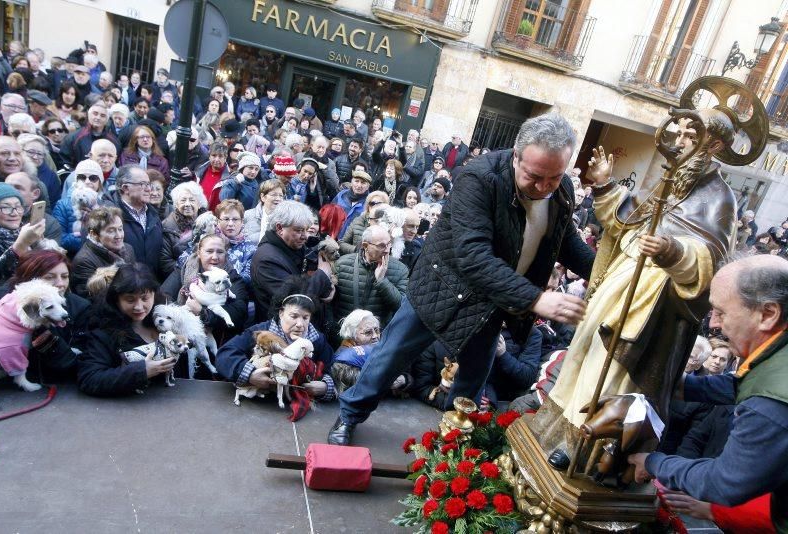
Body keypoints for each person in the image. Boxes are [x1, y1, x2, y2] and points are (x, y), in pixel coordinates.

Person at [328, 113, 595, 446]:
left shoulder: (562, 190)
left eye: (554, 178)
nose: (544, 188)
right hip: (440, 288)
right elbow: (474, 256)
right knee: (390, 357)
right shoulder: (479, 179)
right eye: (534, 176)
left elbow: (566, 241)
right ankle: (350, 413)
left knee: (472, 377)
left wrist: (606, 273)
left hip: (492, 298)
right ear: (516, 155)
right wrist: (536, 299)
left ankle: (452, 442)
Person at [531, 109, 739, 465]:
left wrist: (671, 250)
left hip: (651, 303)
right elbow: (629, 222)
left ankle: (584, 452)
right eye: (682, 132)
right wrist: (607, 185)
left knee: (610, 372)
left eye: (693, 134)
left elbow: (712, 261)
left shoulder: (720, 198)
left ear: (714, 144)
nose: (681, 140)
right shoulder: (671, 182)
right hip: (622, 281)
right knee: (584, 355)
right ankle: (555, 427)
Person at [628, 255, 788, 532]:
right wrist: (678, 384)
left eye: (722, 312)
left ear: (767, 314)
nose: (713, 323)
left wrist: (654, 462)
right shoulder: (777, 355)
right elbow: (743, 383)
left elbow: (726, 482)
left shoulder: (770, 402)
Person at [215, 288, 337, 420]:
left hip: (301, 412)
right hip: (255, 408)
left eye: (305, 317)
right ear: (281, 313)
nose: (300, 324)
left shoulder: (317, 340)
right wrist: (250, 375)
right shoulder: (260, 332)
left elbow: (334, 370)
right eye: (294, 316)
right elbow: (225, 354)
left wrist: (325, 387)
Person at [0, 250, 90, 382]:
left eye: (65, 276)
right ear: (30, 278)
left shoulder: (80, 307)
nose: (60, 284)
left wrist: (47, 337)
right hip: (2, 380)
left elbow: (75, 363)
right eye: (49, 277)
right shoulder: (1, 296)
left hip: (55, 383)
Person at [77, 263, 176, 397]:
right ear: (116, 300)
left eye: (145, 298)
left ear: (154, 294)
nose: (139, 307)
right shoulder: (104, 332)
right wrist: (142, 371)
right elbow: (90, 378)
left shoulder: (169, 319)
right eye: (130, 300)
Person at [161, 234, 248, 360]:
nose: (215, 257)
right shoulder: (184, 270)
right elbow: (164, 296)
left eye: (220, 252)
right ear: (199, 252)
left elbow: (239, 312)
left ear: (226, 254)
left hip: (221, 341)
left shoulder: (231, 277)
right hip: (184, 339)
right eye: (209, 251)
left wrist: (203, 313)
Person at [249, 200, 334, 323]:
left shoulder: (295, 246)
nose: (305, 236)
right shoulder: (266, 260)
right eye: (299, 230)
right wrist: (323, 275)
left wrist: (330, 287)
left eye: (306, 230)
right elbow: (295, 298)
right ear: (279, 228)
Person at [333, 225, 409, 328]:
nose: (387, 250)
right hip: (344, 334)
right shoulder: (342, 264)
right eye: (381, 245)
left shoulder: (400, 270)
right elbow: (329, 305)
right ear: (365, 246)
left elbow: (401, 306)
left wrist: (382, 281)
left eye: (389, 244)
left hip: (377, 338)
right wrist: (333, 331)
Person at [106, 165, 164, 280]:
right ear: (125, 188)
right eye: (143, 184)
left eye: (149, 184)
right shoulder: (107, 217)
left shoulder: (154, 215)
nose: (149, 189)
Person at [0, 182, 46, 288]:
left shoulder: (23, 231)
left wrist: (40, 245)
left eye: (18, 207)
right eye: (6, 207)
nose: (14, 213)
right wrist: (20, 246)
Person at [71, 206, 135, 297]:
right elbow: (90, 299)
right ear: (94, 234)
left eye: (120, 229)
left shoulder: (128, 249)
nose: (118, 235)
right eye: (111, 231)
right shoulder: (83, 261)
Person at [330, 309, 382, 393]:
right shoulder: (343, 362)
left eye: (377, 330)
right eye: (368, 332)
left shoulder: (382, 349)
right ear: (352, 335)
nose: (375, 336)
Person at [160, 182, 205, 274]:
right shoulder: (167, 226)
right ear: (176, 205)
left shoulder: (209, 222)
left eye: (192, 200)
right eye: (183, 200)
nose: (187, 204)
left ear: (199, 203)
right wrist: (190, 272)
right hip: (180, 275)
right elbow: (165, 262)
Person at [214, 199, 257, 284]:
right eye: (226, 219)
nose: (230, 224)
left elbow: (247, 278)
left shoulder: (251, 248)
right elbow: (183, 261)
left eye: (235, 219)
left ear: (242, 222)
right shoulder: (208, 241)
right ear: (218, 221)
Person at [338, 191, 389, 255]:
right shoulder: (358, 220)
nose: (375, 206)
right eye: (372, 203)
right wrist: (356, 250)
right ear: (368, 206)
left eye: (379, 204)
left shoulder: (390, 223)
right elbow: (342, 243)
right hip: (357, 260)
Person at [243, 178, 285, 244]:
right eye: (274, 195)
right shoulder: (247, 215)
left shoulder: (285, 219)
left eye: (281, 196)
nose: (278, 199)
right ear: (263, 197)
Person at [331, 169, 370, 239]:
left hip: (351, 242)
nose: (359, 185)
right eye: (356, 181)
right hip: (333, 237)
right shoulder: (341, 195)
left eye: (363, 183)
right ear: (351, 182)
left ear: (367, 187)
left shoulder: (369, 202)